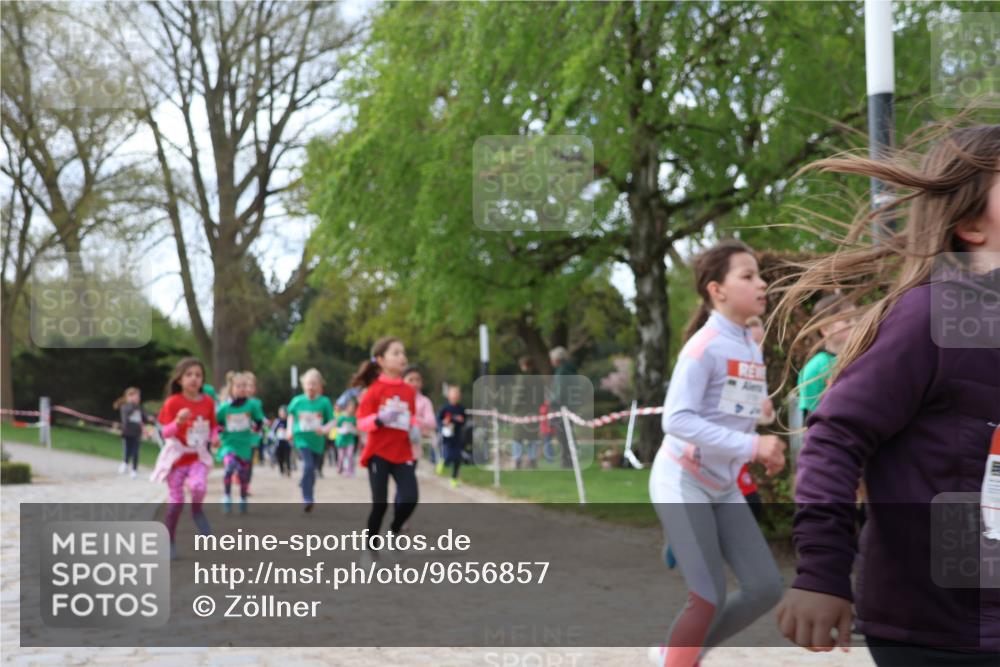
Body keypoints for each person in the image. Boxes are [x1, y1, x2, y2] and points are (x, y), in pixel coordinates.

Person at [774, 123, 1000, 664]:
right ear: (971, 224)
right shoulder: (930, 316)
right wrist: (822, 571)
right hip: (937, 632)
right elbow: (835, 438)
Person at [648, 240, 786, 667]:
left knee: (765, 588)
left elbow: (734, 411)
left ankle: (680, 653)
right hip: (682, 480)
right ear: (717, 290)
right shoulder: (703, 347)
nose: (761, 284)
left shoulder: (748, 343)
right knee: (707, 596)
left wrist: (760, 432)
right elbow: (676, 420)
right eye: (748, 276)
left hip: (723, 485)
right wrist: (753, 445)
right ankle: (678, 658)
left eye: (759, 275)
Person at [352, 336, 420, 561]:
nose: (402, 357)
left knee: (410, 497)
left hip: (402, 453)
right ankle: (370, 547)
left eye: (403, 352)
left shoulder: (408, 391)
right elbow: (361, 422)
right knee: (379, 504)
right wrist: (379, 419)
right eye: (396, 353)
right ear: (381, 360)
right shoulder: (373, 390)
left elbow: (411, 417)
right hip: (378, 453)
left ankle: (394, 530)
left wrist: (414, 427)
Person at [151, 357, 217, 559]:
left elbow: (213, 426)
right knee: (176, 503)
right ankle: (169, 538)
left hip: (197, 456)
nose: (194, 378)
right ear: (179, 379)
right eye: (189, 375)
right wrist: (178, 422)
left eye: (198, 375)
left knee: (198, 487)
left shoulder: (208, 401)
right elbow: (165, 433)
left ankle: (197, 510)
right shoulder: (173, 402)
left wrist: (215, 438)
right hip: (177, 458)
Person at [796, 293, 857, 421]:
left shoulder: (863, 357)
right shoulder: (815, 367)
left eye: (856, 319)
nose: (855, 324)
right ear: (825, 329)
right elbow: (811, 415)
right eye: (847, 320)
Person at [216, 372, 265, 514]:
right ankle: (227, 496)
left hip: (245, 445)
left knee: (244, 475)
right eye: (238, 386)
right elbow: (217, 423)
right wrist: (218, 434)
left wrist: (256, 430)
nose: (242, 389)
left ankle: (243, 498)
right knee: (229, 468)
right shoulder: (225, 408)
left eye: (244, 386)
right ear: (231, 388)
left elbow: (259, 421)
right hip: (229, 444)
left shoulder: (252, 405)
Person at [287, 368, 335, 512]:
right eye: (308, 384)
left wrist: (324, 429)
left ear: (320, 386)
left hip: (318, 442)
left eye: (314, 384)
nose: (311, 387)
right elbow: (291, 416)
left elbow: (333, 421)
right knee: (308, 466)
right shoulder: (297, 401)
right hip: (301, 439)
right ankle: (307, 498)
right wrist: (289, 430)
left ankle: (306, 486)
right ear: (303, 385)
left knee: (312, 470)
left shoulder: (324, 402)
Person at [114, 387, 153, 479]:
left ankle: (134, 470)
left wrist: (149, 418)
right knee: (127, 449)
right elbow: (126, 416)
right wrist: (133, 404)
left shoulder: (140, 408)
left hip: (137, 433)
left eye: (138, 397)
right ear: (129, 397)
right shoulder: (125, 407)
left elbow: (145, 417)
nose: (138, 398)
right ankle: (125, 463)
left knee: (135, 452)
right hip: (127, 432)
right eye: (136, 396)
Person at [548, 346, 577, 468]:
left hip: (562, 408)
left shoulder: (561, 372)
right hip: (571, 407)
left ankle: (566, 462)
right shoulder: (571, 370)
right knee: (568, 434)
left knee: (563, 436)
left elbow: (559, 393)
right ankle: (570, 460)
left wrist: (550, 401)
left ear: (556, 359)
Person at [510, 356, 540, 469]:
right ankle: (532, 460)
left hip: (521, 413)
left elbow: (518, 396)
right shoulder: (538, 379)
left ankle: (517, 460)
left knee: (517, 438)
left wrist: (513, 409)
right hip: (534, 412)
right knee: (532, 438)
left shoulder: (522, 379)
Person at [437, 384, 467, 487]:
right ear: (449, 395)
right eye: (453, 393)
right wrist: (443, 424)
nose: (455, 396)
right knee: (448, 455)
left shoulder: (461, 409)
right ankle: (442, 461)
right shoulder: (445, 408)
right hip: (446, 435)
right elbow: (438, 420)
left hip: (457, 436)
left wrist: (461, 421)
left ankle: (454, 479)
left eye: (457, 394)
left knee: (457, 458)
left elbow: (464, 421)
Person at [335, 398, 359, 477]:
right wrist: (343, 430)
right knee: (341, 457)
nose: (352, 410)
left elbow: (357, 430)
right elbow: (337, 429)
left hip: (350, 440)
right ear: (346, 408)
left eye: (354, 408)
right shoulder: (341, 418)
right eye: (351, 408)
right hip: (341, 441)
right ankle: (340, 467)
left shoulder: (354, 418)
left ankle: (350, 470)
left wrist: (352, 430)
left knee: (350, 455)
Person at [271, 405, 292, 476]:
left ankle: (288, 469)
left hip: (287, 441)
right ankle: (281, 470)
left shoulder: (289, 420)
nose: (282, 414)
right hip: (279, 441)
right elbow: (272, 431)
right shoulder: (277, 421)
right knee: (280, 456)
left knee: (287, 456)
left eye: (283, 412)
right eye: (281, 412)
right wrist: (274, 439)